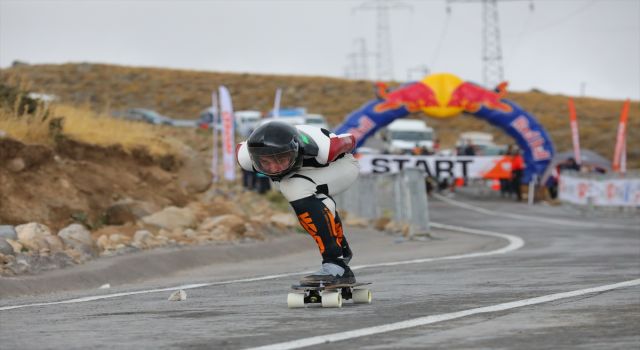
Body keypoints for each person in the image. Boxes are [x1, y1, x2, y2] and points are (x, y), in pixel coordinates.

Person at [236, 121, 358, 286]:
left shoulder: (324, 149)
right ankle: (340, 255)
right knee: (319, 204)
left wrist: (336, 143)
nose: (274, 168)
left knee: (293, 187)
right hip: (300, 173)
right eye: (265, 162)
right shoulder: (244, 157)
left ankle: (335, 264)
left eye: (281, 159)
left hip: (338, 167)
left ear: (296, 151)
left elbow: (350, 139)